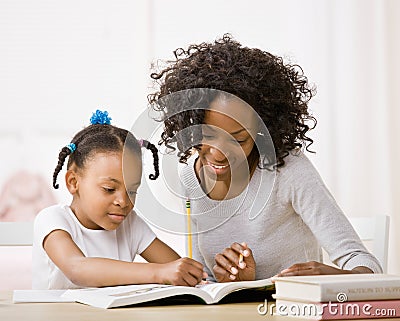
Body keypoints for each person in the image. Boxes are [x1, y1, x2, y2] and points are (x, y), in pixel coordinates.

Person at [148, 34, 383, 283]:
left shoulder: (287, 171)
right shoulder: (189, 175)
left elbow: (364, 263)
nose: (218, 153)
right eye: (207, 135)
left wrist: (338, 277)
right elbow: (206, 283)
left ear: (262, 133)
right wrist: (230, 280)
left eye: (238, 140)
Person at [32, 110, 206, 289]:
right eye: (109, 189)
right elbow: (77, 269)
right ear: (73, 182)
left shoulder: (130, 224)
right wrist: (157, 273)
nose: (123, 201)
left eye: (132, 191)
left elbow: (176, 268)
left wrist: (198, 274)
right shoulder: (52, 220)